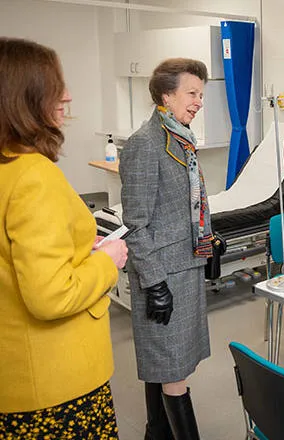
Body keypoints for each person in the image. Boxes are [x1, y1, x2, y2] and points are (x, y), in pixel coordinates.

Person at [0, 37, 128, 438]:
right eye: (57, 86)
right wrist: (107, 261)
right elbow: (50, 295)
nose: (68, 96)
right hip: (53, 388)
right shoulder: (33, 176)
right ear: (25, 96)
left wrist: (72, 251)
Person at [120, 58, 213, 440]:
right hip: (164, 276)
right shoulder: (145, 144)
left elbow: (188, 202)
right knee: (174, 371)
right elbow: (136, 225)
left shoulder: (180, 137)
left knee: (167, 363)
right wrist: (155, 284)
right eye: (192, 93)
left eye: (201, 95)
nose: (198, 102)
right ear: (166, 94)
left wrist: (209, 239)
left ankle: (155, 433)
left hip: (184, 266)